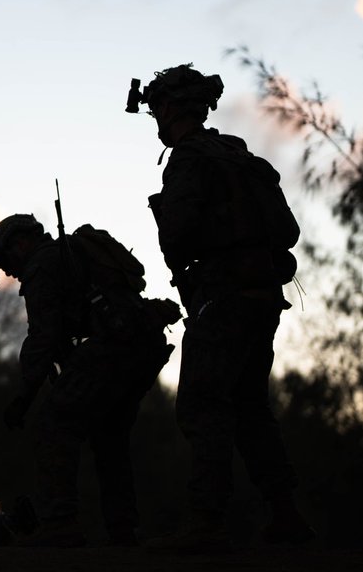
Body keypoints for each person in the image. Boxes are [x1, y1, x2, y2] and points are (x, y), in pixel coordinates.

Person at [134, 64, 314, 550]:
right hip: (261, 298)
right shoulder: (235, 154)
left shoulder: (189, 160)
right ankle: (285, 515)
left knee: (203, 404)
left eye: (157, 109)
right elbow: (287, 232)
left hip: (223, 300)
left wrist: (164, 216)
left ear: (170, 108)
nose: (155, 118)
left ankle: (205, 522)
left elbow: (178, 237)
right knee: (251, 407)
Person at [0, 213, 174, 547]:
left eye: (9, 261)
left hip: (108, 352)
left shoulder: (42, 265)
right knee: (110, 438)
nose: (11, 271)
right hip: (140, 349)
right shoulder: (72, 252)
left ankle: (60, 523)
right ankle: (123, 529)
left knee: (54, 426)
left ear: (20, 243)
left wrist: (24, 397)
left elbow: (43, 338)